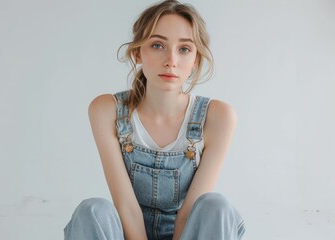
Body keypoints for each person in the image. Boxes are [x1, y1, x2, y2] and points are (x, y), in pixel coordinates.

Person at [64, 0, 245, 239]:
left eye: (184, 49)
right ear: (138, 52)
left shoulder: (217, 116)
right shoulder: (107, 110)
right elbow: (126, 206)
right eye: (158, 45)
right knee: (92, 210)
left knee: (216, 206)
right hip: (130, 232)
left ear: (196, 60)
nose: (171, 60)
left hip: (188, 232)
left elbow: (189, 213)